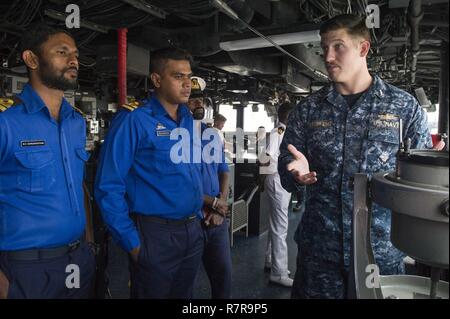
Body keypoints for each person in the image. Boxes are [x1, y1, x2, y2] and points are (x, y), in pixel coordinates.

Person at [278, 14, 443, 299]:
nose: (328, 56)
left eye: (338, 46)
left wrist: (432, 171)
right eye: (323, 48)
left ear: (363, 49)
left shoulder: (404, 108)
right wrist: (293, 173)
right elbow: (285, 163)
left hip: (381, 251)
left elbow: (417, 178)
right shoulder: (308, 110)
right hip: (320, 252)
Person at [95, 48, 204, 299]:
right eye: (178, 76)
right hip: (155, 234)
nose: (187, 84)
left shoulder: (187, 118)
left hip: (191, 231)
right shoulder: (134, 120)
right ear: (156, 80)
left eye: (189, 77)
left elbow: (187, 171)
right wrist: (132, 244)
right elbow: (108, 186)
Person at [0, 24, 95, 299]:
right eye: (62, 52)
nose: (73, 60)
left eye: (75, 53)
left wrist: (89, 243)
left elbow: (79, 186)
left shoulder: (76, 122)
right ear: (31, 60)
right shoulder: (6, 121)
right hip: (25, 269)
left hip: (78, 260)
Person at [187, 76, 232, 299]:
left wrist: (220, 204)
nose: (198, 104)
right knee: (186, 283)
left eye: (201, 99)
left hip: (217, 220)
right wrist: (213, 204)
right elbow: (179, 184)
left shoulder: (211, 135)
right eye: (193, 99)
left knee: (223, 277)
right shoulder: (175, 136)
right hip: (190, 219)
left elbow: (224, 171)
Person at [261, 103, 294, 287]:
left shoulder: (282, 132)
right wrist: (262, 179)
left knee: (275, 223)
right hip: (276, 179)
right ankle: (279, 272)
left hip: (279, 179)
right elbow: (266, 157)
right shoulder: (278, 133)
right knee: (281, 227)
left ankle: (270, 260)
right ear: (288, 116)